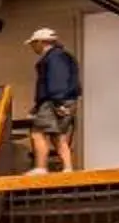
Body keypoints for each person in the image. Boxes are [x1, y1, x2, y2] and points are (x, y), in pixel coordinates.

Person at [26, 27, 80, 173]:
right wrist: (37, 106)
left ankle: (41, 167)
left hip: (55, 100)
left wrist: (57, 102)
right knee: (59, 136)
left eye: (33, 43)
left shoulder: (54, 57)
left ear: (41, 42)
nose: (32, 47)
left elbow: (56, 80)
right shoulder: (61, 56)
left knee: (38, 133)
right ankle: (68, 168)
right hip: (62, 99)